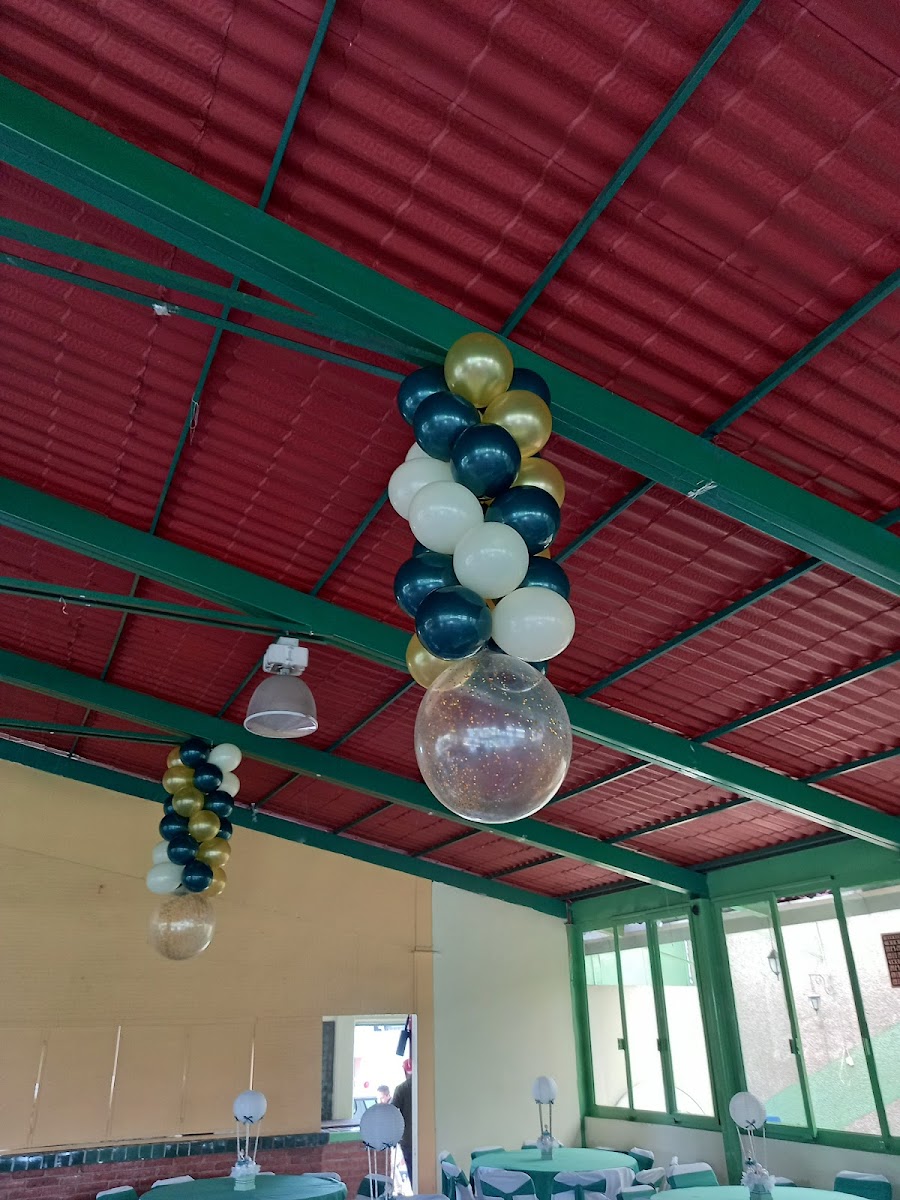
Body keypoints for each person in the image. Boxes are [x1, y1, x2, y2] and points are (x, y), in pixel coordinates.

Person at [392, 1059, 413, 1186]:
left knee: (412, 1173)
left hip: (407, 1140)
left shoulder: (401, 1089)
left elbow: (392, 1112)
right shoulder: (426, 1086)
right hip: (427, 1139)